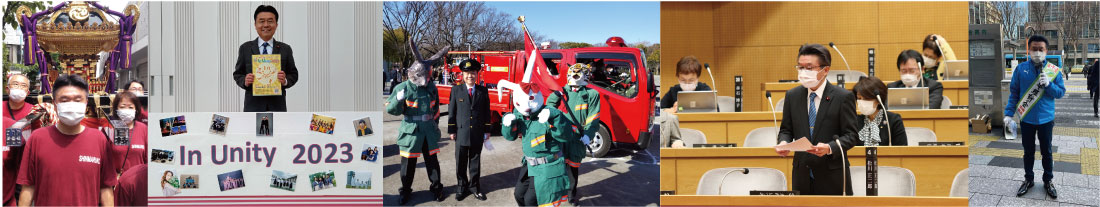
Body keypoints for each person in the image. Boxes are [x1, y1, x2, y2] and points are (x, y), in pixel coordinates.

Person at [17, 74, 117, 206]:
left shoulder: (99, 140)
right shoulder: (37, 138)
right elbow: (28, 187)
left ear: (86, 103)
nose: (71, 105)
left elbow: (105, 188)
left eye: (77, 100)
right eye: (64, 100)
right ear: (55, 104)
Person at [773, 44, 858, 195]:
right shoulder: (792, 96)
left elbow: (851, 136)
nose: (804, 72)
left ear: (825, 70)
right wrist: (784, 142)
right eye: (800, 67)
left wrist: (829, 147)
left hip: (832, 175)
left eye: (809, 68)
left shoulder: (843, 97)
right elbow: (786, 129)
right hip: (801, 174)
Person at [386, 40, 448, 204]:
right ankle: (405, 191)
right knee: (408, 164)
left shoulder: (431, 87)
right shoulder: (402, 88)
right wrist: (398, 101)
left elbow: (435, 109)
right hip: (411, 131)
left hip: (428, 129)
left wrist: (435, 125)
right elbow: (392, 111)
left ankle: (436, 187)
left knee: (432, 162)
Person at [1004, 35, 1064, 199]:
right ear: (1029, 50)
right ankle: (1028, 179)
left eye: (1041, 49)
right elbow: (1014, 93)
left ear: (1046, 51)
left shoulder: (1053, 70)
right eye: (1034, 49)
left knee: (1047, 152)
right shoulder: (1021, 69)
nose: (1037, 52)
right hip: (1027, 120)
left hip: (1046, 120)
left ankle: (1048, 181)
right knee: (1028, 152)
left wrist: (1049, 85)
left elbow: (1061, 93)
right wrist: (1009, 114)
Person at [498, 79, 573, 207]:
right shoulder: (519, 114)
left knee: (531, 201)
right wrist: (508, 123)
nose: (527, 106)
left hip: (547, 167)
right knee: (519, 195)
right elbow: (510, 137)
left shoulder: (548, 113)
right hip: (529, 165)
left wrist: (554, 117)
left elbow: (566, 136)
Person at [545, 63, 601, 205]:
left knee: (573, 167)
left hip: (577, 138)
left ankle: (571, 194)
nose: (576, 74)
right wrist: (556, 98)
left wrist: (588, 133)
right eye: (573, 72)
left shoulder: (592, 94)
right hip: (560, 136)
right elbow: (549, 106)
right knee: (557, 165)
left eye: (579, 72)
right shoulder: (562, 90)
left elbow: (593, 117)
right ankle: (557, 191)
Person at [233, 5, 300, 112]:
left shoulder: (285, 49)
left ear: (276, 24)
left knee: (280, 129)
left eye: (270, 21)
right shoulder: (245, 48)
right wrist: (245, 81)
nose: (266, 25)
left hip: (278, 106)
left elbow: (293, 74)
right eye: (261, 21)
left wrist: (285, 81)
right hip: (253, 106)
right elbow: (237, 74)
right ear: (255, 24)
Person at [446, 59, 491, 201]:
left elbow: (486, 112)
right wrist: (452, 130)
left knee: (475, 162)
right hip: (461, 132)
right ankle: (461, 186)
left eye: (472, 73)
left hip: (477, 132)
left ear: (476, 74)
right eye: (467, 73)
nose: (470, 76)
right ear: (462, 75)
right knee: (460, 162)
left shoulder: (483, 91)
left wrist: (487, 130)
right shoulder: (456, 90)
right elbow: (451, 111)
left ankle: (475, 187)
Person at [659, 56, 713, 148]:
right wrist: (671, 110)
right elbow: (660, 111)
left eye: (691, 80)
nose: (687, 83)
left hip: (705, 127)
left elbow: (715, 110)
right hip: (678, 131)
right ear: (678, 77)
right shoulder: (673, 91)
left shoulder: (705, 90)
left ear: (697, 77)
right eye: (683, 80)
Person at [3, 74, 33, 206]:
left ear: (28, 92)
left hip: (23, 167)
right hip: (6, 166)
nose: (19, 88)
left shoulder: (34, 111)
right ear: (7, 88)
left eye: (23, 86)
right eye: (15, 84)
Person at [852, 76, 907, 146]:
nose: (862, 102)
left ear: (878, 99)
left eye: (866, 98)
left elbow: (901, 150)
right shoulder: (854, 121)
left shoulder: (893, 120)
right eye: (859, 98)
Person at [109, 92, 148, 174]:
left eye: (130, 107)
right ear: (116, 109)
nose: (127, 110)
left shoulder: (143, 128)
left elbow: (148, 159)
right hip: (117, 182)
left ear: (136, 110)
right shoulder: (110, 128)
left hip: (138, 180)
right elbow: (106, 160)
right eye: (122, 107)